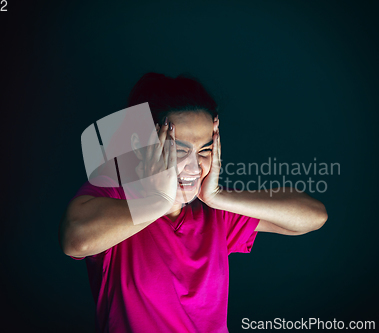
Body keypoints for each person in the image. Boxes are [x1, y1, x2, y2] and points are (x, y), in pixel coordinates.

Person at [58, 72, 328, 333]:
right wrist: (160, 201)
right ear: (142, 145)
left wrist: (218, 196)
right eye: (179, 150)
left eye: (205, 151)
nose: (194, 167)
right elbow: (76, 239)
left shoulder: (217, 213)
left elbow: (314, 216)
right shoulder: (115, 196)